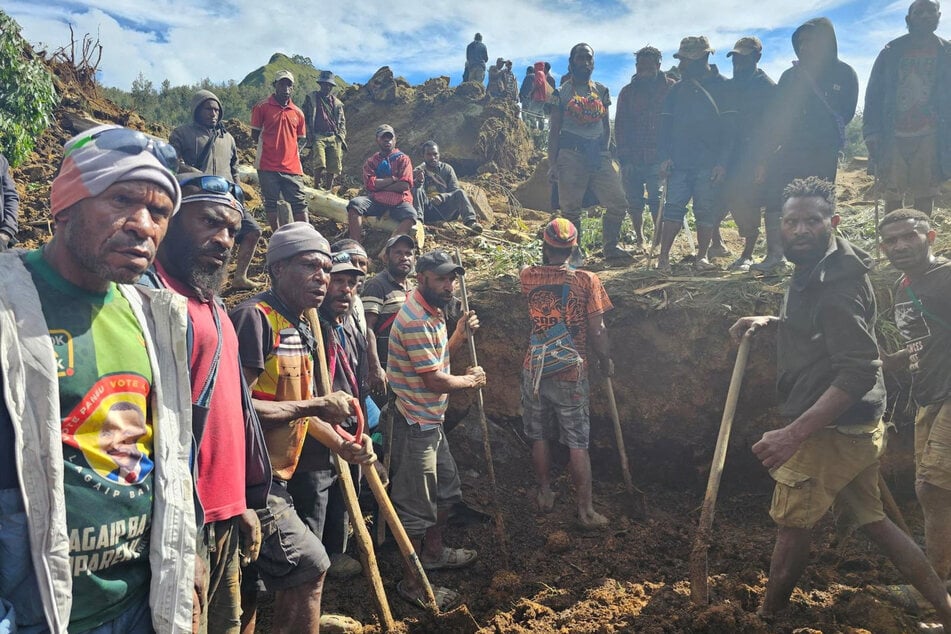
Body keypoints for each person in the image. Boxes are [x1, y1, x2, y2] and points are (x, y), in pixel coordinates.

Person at [729, 177, 951, 632]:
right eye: (792, 221)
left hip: (831, 428)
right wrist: (775, 320)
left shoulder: (838, 284)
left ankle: (768, 618)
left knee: (793, 525)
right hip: (855, 424)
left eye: (812, 221)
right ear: (781, 226)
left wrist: (794, 434)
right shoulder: (815, 266)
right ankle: (947, 611)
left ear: (833, 222)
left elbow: (857, 369)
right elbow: (830, 333)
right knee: (874, 519)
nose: (801, 229)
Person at [0, 124, 196, 632]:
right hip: (36, 610)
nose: (143, 225)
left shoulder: (157, 319)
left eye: (159, 213)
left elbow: (170, 454)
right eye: (122, 199)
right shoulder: (9, 307)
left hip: (137, 602)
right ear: (65, 206)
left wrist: (185, 559)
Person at [138, 174, 271, 634]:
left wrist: (244, 501)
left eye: (233, 231)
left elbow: (234, 415)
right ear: (169, 222)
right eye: (210, 223)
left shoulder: (214, 306)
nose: (224, 240)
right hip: (177, 526)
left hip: (224, 514)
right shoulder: (145, 301)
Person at [230, 222, 375, 633]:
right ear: (276, 268)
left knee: (255, 583)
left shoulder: (300, 326)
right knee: (310, 565)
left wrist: (343, 445)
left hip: (277, 477)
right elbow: (234, 408)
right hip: (247, 480)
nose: (322, 278)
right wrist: (315, 403)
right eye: (310, 265)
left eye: (326, 269)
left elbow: (301, 414)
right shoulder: (255, 320)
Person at [387, 249, 484, 610]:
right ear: (421, 277)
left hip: (431, 422)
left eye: (452, 279)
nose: (449, 285)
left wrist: (457, 335)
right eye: (442, 278)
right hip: (415, 424)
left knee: (447, 494)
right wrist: (470, 381)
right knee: (415, 510)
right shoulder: (413, 318)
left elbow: (435, 356)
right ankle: (412, 585)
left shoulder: (434, 311)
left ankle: (433, 552)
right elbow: (433, 380)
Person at [520, 219, 614, 529]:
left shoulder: (528, 277)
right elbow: (598, 329)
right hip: (571, 371)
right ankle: (585, 511)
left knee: (539, 435)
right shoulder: (587, 280)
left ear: (545, 247)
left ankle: (545, 492)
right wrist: (605, 360)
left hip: (535, 369)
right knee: (577, 442)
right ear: (574, 249)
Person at [878, 209, 951, 587]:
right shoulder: (903, 285)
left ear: (931, 236)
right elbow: (923, 342)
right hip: (929, 396)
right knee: (934, 489)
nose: (900, 245)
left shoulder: (946, 278)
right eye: (891, 240)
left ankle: (933, 588)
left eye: (909, 236)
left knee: (933, 488)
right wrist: (889, 361)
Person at [287, 250, 369, 583]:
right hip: (315, 432)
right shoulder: (306, 328)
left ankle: (336, 555)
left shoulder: (348, 326)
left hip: (349, 428)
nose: (345, 289)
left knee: (343, 495)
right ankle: (307, 574)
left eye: (352, 283)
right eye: (338, 281)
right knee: (314, 499)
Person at [752, 17, 858, 272]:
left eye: (811, 40)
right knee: (777, 199)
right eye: (801, 41)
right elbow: (775, 115)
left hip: (822, 151)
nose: (805, 46)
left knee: (818, 202)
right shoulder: (790, 75)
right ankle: (775, 256)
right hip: (788, 151)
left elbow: (846, 111)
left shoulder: (844, 73)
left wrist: (822, 133)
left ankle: (818, 257)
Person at [656, 36, 736, 273]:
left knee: (705, 210)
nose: (681, 66)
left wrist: (722, 163)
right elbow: (665, 128)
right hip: (680, 162)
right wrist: (664, 157)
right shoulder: (676, 90)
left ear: (703, 58)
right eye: (681, 60)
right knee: (673, 209)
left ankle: (702, 256)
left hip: (708, 164)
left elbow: (730, 131)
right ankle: (663, 258)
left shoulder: (723, 87)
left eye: (686, 61)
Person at [864, 0, 951, 216]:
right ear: (908, 19)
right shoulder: (891, 51)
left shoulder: (947, 53)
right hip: (893, 133)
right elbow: (873, 94)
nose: (925, 16)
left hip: (931, 134)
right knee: (892, 195)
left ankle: (921, 241)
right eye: (918, 11)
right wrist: (871, 131)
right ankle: (893, 241)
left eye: (931, 11)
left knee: (925, 193)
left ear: (939, 17)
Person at [548, 43, 633, 262]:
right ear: (571, 62)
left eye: (589, 58)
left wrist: (605, 152)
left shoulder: (602, 91)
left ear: (593, 63)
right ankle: (575, 253)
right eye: (580, 58)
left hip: (598, 155)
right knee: (570, 210)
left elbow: (606, 126)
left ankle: (611, 248)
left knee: (618, 202)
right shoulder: (560, 93)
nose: (585, 63)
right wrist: (552, 163)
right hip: (570, 154)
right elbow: (554, 131)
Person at [170, 90, 262, 290]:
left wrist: (238, 191)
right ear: (196, 109)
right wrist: (195, 175)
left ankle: (239, 277)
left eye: (216, 110)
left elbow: (234, 167)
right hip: (197, 196)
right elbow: (173, 163)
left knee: (253, 231)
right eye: (208, 109)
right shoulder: (182, 133)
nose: (213, 113)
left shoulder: (228, 138)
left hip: (228, 198)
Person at [717, 37, 776, 270]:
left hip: (754, 153)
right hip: (729, 152)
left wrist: (763, 161)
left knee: (747, 201)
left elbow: (772, 128)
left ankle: (748, 254)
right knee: (722, 199)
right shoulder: (731, 86)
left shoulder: (767, 87)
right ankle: (715, 246)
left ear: (757, 57)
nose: (738, 62)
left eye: (744, 57)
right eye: (736, 58)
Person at [614, 46, 676, 247]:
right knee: (634, 201)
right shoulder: (627, 93)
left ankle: (658, 242)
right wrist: (625, 160)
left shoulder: (671, 89)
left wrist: (670, 155)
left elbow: (678, 122)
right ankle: (640, 239)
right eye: (641, 66)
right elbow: (621, 126)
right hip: (633, 157)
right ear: (636, 66)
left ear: (658, 65)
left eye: (649, 66)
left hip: (659, 157)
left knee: (657, 200)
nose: (645, 70)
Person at [251, 70, 308, 231]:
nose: (285, 87)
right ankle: (277, 235)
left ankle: (305, 235)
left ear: (293, 87)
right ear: (275, 85)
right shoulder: (262, 107)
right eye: (282, 83)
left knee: (299, 203)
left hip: (292, 167)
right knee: (271, 203)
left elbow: (298, 138)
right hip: (267, 165)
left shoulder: (298, 113)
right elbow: (255, 134)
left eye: (289, 84)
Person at [362, 234, 416, 396]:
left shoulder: (413, 289)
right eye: (398, 253)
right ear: (386, 258)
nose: (404, 257)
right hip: (386, 374)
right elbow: (367, 328)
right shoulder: (377, 285)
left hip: (408, 374)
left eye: (408, 253)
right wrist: (375, 368)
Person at [346, 124, 418, 244]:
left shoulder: (403, 159)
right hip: (376, 201)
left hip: (399, 202)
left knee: (411, 215)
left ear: (395, 140)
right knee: (355, 204)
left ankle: (389, 247)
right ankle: (355, 245)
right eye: (383, 138)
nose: (387, 141)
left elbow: (404, 185)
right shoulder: (371, 161)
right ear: (377, 140)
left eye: (390, 138)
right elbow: (369, 184)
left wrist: (380, 186)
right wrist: (393, 179)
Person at [413, 140, 483, 233]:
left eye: (435, 154)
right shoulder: (418, 170)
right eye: (429, 154)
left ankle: (471, 224)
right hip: (427, 209)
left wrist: (443, 197)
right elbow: (415, 192)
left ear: (439, 154)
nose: (433, 157)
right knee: (417, 189)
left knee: (460, 192)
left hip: (445, 209)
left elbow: (455, 190)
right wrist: (419, 181)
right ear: (423, 155)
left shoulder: (447, 169)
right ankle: (419, 223)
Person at [303, 70, 347, 191]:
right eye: (324, 84)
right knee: (320, 162)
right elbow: (304, 116)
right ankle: (316, 186)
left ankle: (328, 189)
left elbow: (342, 121)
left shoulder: (337, 103)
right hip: (318, 135)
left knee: (333, 165)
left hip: (334, 136)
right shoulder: (311, 98)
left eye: (329, 85)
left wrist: (341, 136)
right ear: (320, 84)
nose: (327, 87)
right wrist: (308, 132)